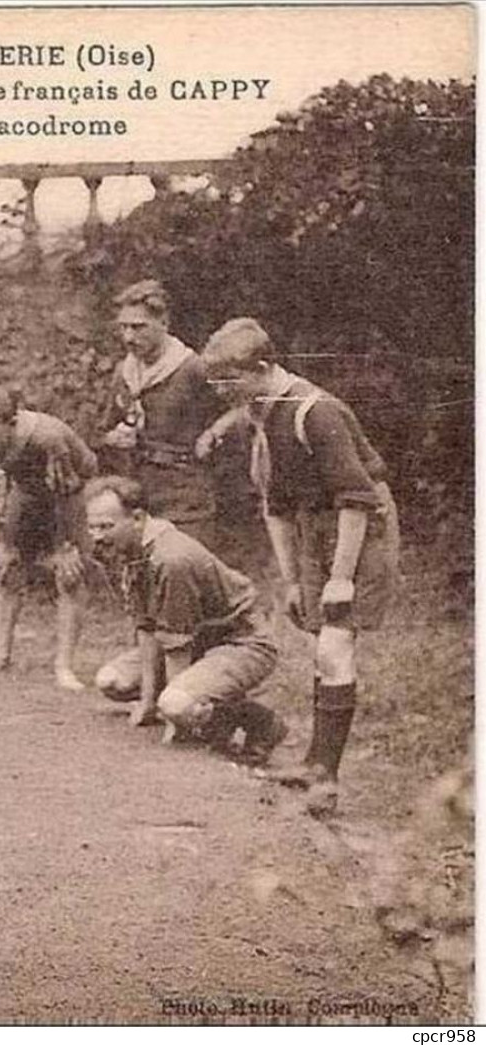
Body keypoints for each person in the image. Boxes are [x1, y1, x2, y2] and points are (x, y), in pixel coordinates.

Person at [202, 318, 400, 816]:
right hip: (316, 527)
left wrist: (339, 578)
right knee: (322, 644)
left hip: (359, 526)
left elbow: (357, 498)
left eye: (230, 380)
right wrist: (292, 580)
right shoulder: (261, 415)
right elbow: (276, 508)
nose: (222, 391)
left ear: (263, 368)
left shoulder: (316, 413)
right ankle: (315, 762)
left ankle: (326, 779)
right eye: (216, 381)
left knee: (336, 643)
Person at [85, 476, 287, 762]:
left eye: (106, 526)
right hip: (199, 643)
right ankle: (201, 704)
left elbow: (176, 647)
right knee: (112, 682)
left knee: (177, 705)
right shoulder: (129, 548)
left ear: (138, 518)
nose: (97, 535)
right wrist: (147, 702)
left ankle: (259, 721)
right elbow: (146, 627)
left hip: (241, 643)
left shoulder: (170, 559)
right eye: (92, 526)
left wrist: (173, 720)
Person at [0, 384, 97, 691]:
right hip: (27, 490)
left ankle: (64, 666)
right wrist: (4, 542)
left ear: (10, 424)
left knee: (70, 574)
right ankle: (0, 655)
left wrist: (66, 547)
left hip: (72, 491)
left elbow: (67, 491)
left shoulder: (46, 439)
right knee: (7, 568)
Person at [99, 280, 231, 549]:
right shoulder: (124, 372)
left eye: (138, 327)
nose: (128, 337)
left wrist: (213, 433)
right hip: (139, 495)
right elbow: (107, 427)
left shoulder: (192, 368)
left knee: (187, 570)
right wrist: (115, 436)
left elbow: (238, 411)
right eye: (123, 327)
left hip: (187, 498)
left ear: (164, 323)